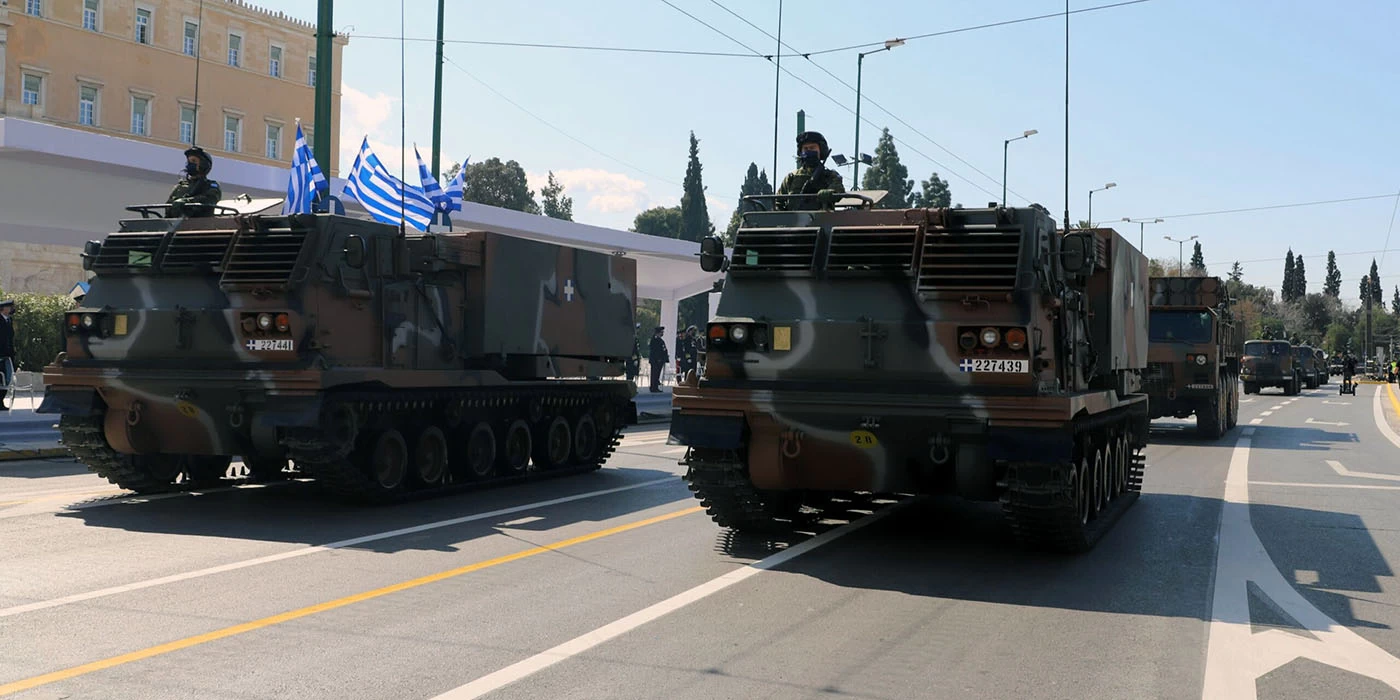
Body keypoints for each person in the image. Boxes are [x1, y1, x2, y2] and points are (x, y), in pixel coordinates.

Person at [776, 131, 845, 210]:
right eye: (805, 148)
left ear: (821, 150)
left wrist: (830, 192)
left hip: (822, 217)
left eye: (812, 148)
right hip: (793, 217)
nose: (808, 151)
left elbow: (839, 190)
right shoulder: (791, 177)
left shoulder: (830, 175)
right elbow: (778, 202)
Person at [166, 147, 222, 218]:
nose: (190, 164)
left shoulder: (211, 186)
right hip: (177, 223)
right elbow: (168, 206)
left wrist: (187, 202)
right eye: (189, 161)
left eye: (194, 161)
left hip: (200, 223)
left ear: (203, 165)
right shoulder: (180, 186)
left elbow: (209, 200)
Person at [0, 300, 14, 410]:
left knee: (8, 378)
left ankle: (1, 401)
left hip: (8, 354)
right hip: (1, 354)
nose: (10, 309)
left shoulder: (9, 320)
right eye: (8, 307)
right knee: (1, 378)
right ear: (3, 309)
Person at [648, 326, 669, 393]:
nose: (662, 333)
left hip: (660, 360)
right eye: (661, 332)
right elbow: (655, 351)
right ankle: (653, 387)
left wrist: (665, 358)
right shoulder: (654, 339)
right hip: (656, 360)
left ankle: (655, 386)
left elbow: (663, 350)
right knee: (654, 374)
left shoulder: (660, 340)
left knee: (657, 374)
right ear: (658, 332)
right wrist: (658, 358)